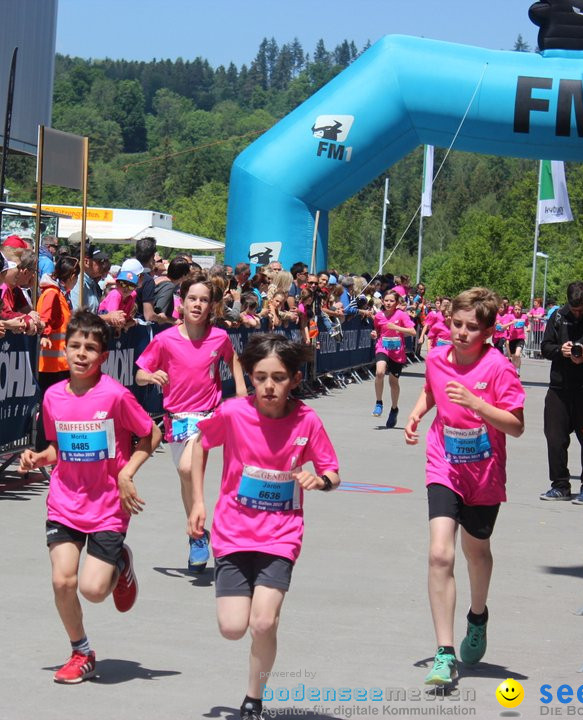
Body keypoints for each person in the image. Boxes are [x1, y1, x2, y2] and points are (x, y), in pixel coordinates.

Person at [188, 333, 341, 720]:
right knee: (232, 628)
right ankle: (260, 638)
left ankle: (253, 699)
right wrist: (198, 502)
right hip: (233, 531)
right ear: (250, 378)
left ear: (293, 378)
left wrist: (319, 481)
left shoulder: (308, 420)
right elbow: (198, 446)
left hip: (281, 534)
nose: (269, 386)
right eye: (260, 377)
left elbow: (333, 472)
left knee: (263, 621)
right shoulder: (234, 412)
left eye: (278, 377)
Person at [18, 312, 162, 684]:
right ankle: (81, 652)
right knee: (63, 582)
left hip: (108, 506)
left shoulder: (115, 395)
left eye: (91, 348)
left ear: (103, 356)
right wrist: (37, 457)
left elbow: (152, 434)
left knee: (94, 590)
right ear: (65, 349)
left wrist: (127, 472)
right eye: (76, 346)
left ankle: (119, 564)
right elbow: (56, 449)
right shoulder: (52, 397)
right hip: (65, 501)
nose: (82, 354)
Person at [404, 288, 525, 685]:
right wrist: (418, 413)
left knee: (476, 551)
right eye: (457, 324)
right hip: (444, 464)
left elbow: (516, 425)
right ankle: (444, 651)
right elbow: (431, 391)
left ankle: (477, 616)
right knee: (440, 554)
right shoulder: (438, 357)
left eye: (472, 328)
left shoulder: (499, 368)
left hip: (485, 473)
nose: (461, 333)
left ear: (489, 330)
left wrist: (477, 404)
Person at [136, 273, 247, 573]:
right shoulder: (165, 340)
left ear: (211, 306)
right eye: (192, 299)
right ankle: (198, 535)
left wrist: (240, 394)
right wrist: (151, 376)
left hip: (208, 415)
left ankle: (196, 532)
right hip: (176, 419)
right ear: (181, 304)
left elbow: (233, 360)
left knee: (188, 468)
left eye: (203, 300)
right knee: (186, 476)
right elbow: (140, 373)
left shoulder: (218, 337)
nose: (197, 305)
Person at [538, 281, 583, 504]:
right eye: (573, 309)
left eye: (581, 309)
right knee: (555, 439)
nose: (577, 314)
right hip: (559, 388)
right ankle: (559, 485)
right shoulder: (559, 316)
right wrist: (562, 350)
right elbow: (545, 348)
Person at [37, 255, 80, 449]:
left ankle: (51, 446)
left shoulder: (60, 293)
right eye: (76, 275)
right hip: (50, 364)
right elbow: (44, 318)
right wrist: (44, 333)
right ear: (71, 274)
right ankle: (43, 448)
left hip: (59, 363)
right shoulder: (53, 293)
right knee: (49, 407)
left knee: (57, 406)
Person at [371, 289, 417, 428]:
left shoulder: (401, 315)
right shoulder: (379, 316)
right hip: (383, 347)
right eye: (386, 300)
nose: (389, 303)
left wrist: (397, 327)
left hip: (397, 352)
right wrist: (374, 334)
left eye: (392, 301)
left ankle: (394, 409)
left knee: (393, 382)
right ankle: (379, 403)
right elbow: (377, 331)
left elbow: (413, 332)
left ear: (396, 303)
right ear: (383, 301)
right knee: (379, 372)